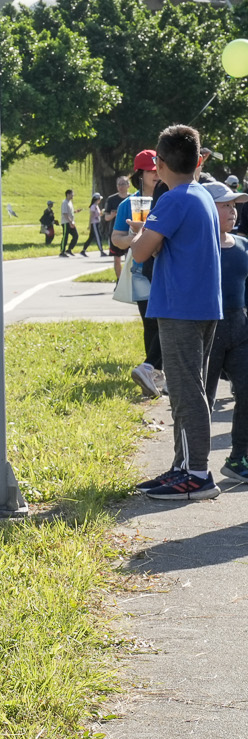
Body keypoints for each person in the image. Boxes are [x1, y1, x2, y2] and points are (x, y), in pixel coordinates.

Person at [131, 125, 224, 501]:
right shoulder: (200, 193)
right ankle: (183, 465)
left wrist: (142, 232)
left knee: (186, 392)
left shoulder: (172, 199)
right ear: (198, 160)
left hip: (180, 307)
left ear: (161, 162)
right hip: (202, 305)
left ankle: (197, 474)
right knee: (189, 388)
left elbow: (139, 252)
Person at [202, 181, 248, 482]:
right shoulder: (198, 246)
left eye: (234, 205)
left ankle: (238, 458)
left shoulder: (244, 245)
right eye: (225, 205)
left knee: (246, 392)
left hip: (240, 328)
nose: (232, 210)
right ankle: (195, 464)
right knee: (202, 398)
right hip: (207, 328)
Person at [114, 153, 167, 396]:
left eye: (158, 168)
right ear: (139, 175)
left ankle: (156, 371)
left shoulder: (168, 198)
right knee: (150, 323)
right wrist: (136, 239)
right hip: (139, 271)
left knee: (164, 322)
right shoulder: (129, 203)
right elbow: (116, 239)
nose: (155, 174)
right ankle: (153, 374)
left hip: (165, 268)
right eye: (149, 170)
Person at [105, 174, 132, 280]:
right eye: (119, 184)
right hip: (115, 233)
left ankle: (127, 280)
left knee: (128, 258)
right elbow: (106, 217)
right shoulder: (111, 199)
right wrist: (112, 215)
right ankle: (119, 280)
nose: (121, 186)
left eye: (123, 184)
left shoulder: (133, 198)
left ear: (128, 185)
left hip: (130, 232)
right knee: (117, 259)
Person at [58, 189, 80, 256]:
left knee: (75, 235)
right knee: (65, 236)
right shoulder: (65, 202)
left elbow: (70, 212)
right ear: (68, 194)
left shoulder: (70, 202)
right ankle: (62, 251)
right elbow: (65, 213)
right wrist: (70, 222)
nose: (72, 196)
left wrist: (75, 211)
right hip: (66, 222)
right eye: (72, 194)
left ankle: (69, 249)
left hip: (71, 222)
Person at [86, 192, 104, 257]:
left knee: (91, 237)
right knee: (98, 237)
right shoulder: (93, 206)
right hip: (94, 223)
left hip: (97, 223)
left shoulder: (96, 206)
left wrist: (101, 213)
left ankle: (83, 250)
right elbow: (91, 216)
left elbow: (98, 214)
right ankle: (101, 251)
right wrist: (90, 225)